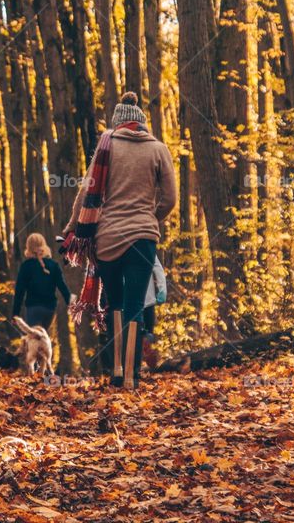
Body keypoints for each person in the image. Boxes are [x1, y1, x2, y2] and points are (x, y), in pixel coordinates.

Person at [62, 92, 177, 388]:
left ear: (118, 123)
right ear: (141, 123)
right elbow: (170, 199)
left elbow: (85, 194)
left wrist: (73, 228)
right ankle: (131, 377)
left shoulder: (106, 146)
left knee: (114, 303)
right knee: (136, 305)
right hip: (142, 238)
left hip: (107, 239)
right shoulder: (159, 149)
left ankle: (116, 371)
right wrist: (150, 217)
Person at [12, 233, 71, 330]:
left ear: (29, 247)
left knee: (35, 339)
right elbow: (62, 287)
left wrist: (15, 313)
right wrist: (71, 304)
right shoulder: (53, 265)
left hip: (33, 308)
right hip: (50, 309)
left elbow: (19, 291)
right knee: (42, 337)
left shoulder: (26, 266)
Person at [142, 256, 167, 369]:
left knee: (147, 336)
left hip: (146, 302)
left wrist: (162, 289)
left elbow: (157, 267)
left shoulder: (147, 241)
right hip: (134, 303)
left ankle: (147, 364)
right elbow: (157, 267)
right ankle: (136, 367)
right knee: (141, 336)